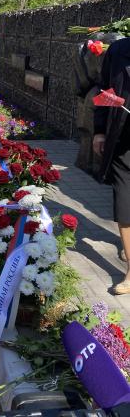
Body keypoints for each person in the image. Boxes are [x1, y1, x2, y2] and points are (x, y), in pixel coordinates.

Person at [93, 35, 130, 295]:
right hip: (122, 141)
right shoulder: (119, 50)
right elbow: (104, 90)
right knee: (124, 202)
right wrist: (99, 131)